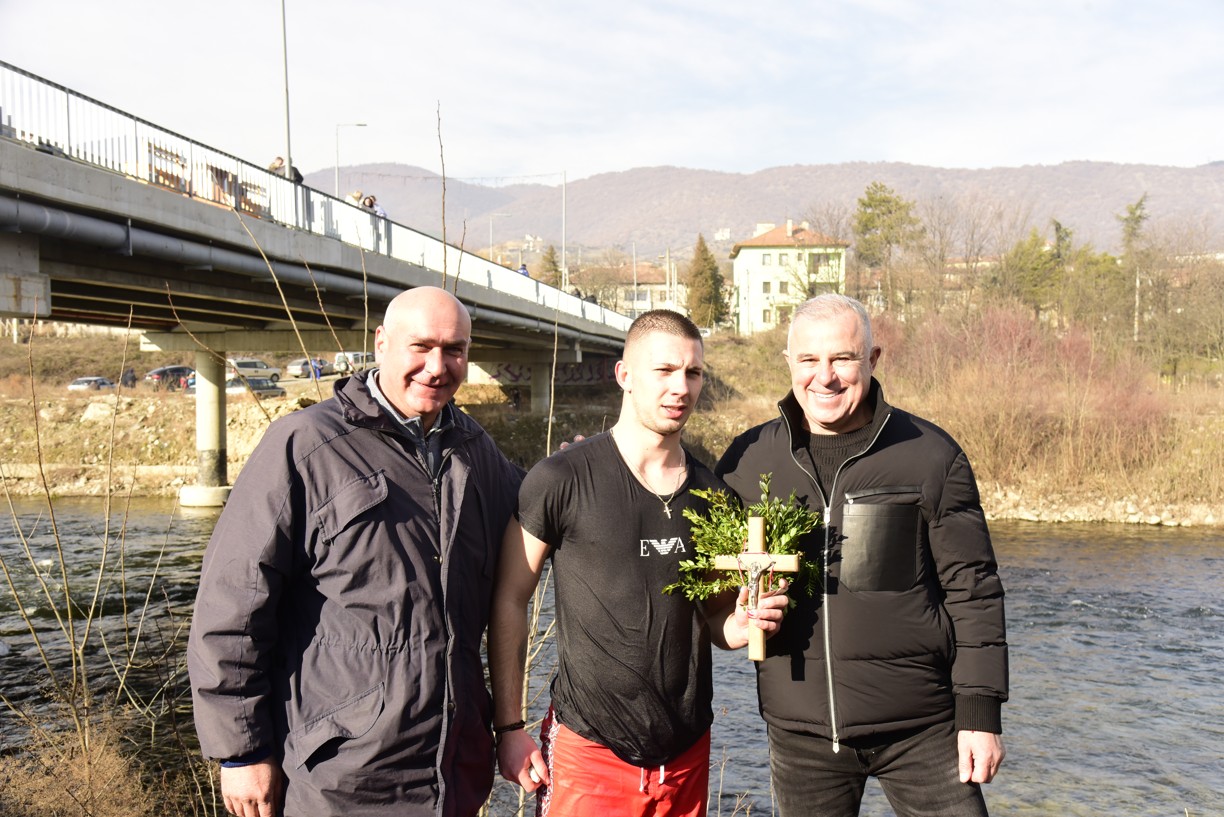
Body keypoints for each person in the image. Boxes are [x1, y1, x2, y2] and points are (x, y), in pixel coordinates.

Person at [187, 286, 523, 817]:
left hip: (451, 773)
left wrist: (584, 474)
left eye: (454, 350)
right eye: (422, 347)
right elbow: (233, 605)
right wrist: (241, 750)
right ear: (381, 343)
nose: (438, 367)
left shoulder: (474, 449)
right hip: (341, 774)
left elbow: (541, 516)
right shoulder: (305, 446)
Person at [715, 294, 1008, 817]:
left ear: (872, 361)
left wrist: (980, 714)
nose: (824, 377)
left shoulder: (930, 455)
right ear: (789, 363)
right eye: (808, 360)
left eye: (842, 359)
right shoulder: (748, 460)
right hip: (801, 736)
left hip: (923, 730)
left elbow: (974, 591)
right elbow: (707, 586)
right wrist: (728, 623)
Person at [489, 309, 789, 817]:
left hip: (686, 755)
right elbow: (510, 598)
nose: (681, 387)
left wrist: (740, 625)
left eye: (693, 373)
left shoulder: (713, 496)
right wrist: (510, 728)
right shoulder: (560, 479)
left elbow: (715, 619)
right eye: (665, 370)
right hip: (589, 753)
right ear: (625, 375)